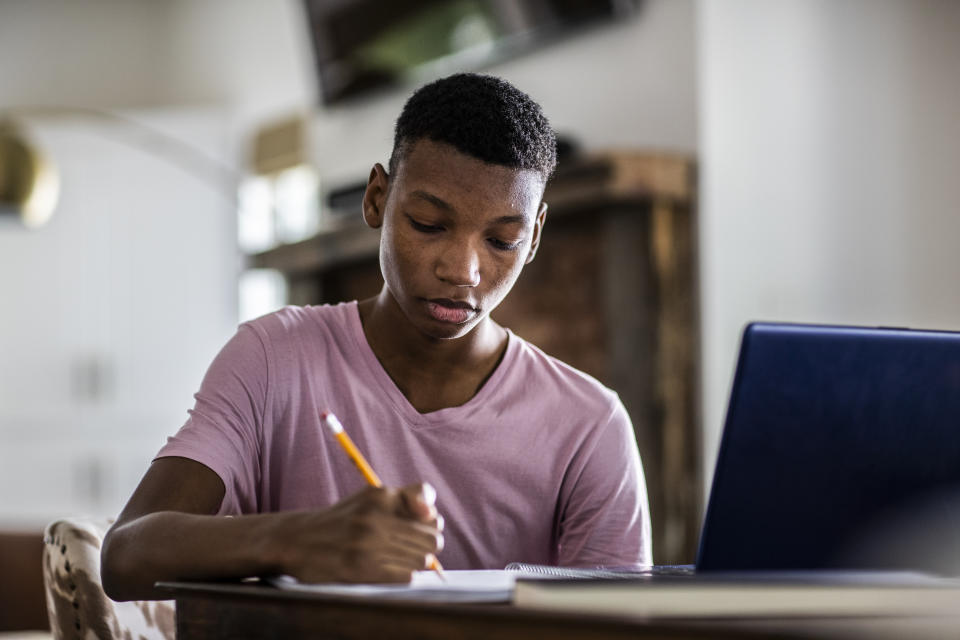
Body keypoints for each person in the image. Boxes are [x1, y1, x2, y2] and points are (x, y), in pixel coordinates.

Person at [101, 73, 651, 601]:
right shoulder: (273, 359)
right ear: (377, 199)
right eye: (429, 225)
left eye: (501, 241)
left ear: (533, 239)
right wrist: (299, 540)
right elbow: (125, 557)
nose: (463, 271)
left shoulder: (590, 427)